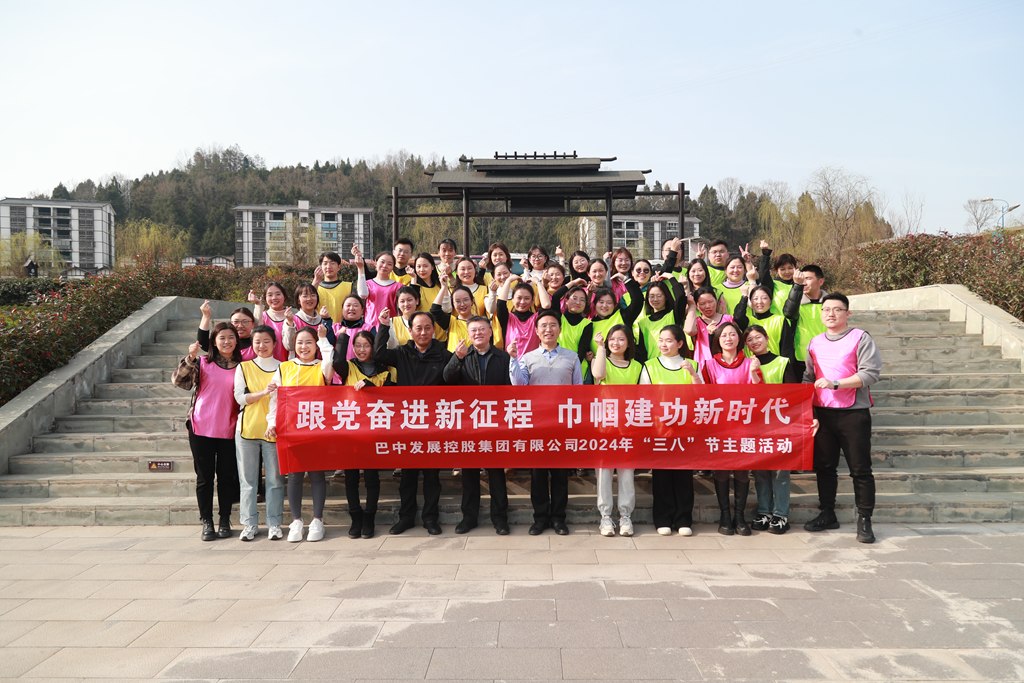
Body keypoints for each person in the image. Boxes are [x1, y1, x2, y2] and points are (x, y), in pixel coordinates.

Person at [802, 293, 883, 544]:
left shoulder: (860, 337)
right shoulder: (815, 342)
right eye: (826, 309)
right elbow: (808, 378)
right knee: (825, 467)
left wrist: (836, 383)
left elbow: (870, 374)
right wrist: (809, 412)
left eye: (837, 309)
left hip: (853, 413)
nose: (831, 314)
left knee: (860, 469)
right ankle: (827, 513)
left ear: (847, 313)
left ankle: (865, 519)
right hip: (823, 414)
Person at [374, 310, 454, 535]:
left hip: (433, 425)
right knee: (407, 476)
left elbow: (454, 381)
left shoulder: (444, 354)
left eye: (428, 328)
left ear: (434, 330)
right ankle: (406, 518)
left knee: (432, 476)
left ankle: (430, 519)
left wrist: (458, 359)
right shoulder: (402, 352)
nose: (423, 332)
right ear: (410, 331)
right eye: (418, 328)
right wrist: (383, 326)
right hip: (408, 424)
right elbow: (379, 354)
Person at [509, 310, 583, 535]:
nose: (548, 329)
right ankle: (540, 518)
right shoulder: (527, 357)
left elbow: (578, 390)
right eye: (543, 325)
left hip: (562, 424)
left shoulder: (572, 357)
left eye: (552, 325)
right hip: (537, 424)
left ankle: (559, 519)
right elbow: (519, 386)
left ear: (559, 329)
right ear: (537, 330)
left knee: (560, 475)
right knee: (538, 474)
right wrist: (513, 359)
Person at [442, 316, 512, 535]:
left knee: (496, 474)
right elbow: (447, 379)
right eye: (473, 330)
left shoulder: (503, 357)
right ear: (468, 334)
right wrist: (457, 358)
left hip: (495, 423)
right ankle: (469, 517)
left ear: (491, 332)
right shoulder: (462, 355)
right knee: (469, 473)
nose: (478, 333)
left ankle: (500, 519)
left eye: (482, 329)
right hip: (469, 423)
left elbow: (511, 387)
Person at [172, 320, 241, 541]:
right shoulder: (202, 362)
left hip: (230, 428)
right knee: (204, 477)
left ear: (237, 341)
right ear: (214, 342)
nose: (227, 341)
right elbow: (179, 381)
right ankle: (207, 521)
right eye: (222, 338)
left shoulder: (243, 366)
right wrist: (190, 358)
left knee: (227, 477)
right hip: (201, 426)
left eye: (231, 337)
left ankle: (224, 519)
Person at [265, 325, 334, 542]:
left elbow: (329, 366)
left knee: (316, 474)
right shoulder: (284, 367)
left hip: (317, 427)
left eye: (309, 342)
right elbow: (275, 399)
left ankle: (317, 520)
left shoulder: (322, 366)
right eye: (300, 343)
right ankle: (296, 521)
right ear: (293, 345)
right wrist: (271, 422)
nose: (304, 347)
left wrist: (323, 339)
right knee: (294, 475)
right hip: (291, 428)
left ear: (316, 346)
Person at [326, 330, 394, 539]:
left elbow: (392, 397)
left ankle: (369, 518)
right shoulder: (349, 367)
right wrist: (343, 336)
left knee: (372, 478)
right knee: (351, 478)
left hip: (375, 433)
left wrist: (371, 388)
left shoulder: (386, 370)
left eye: (366, 345)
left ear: (373, 347)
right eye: (358, 345)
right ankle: (356, 517)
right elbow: (337, 360)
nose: (361, 350)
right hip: (351, 431)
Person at [701, 322, 762, 536]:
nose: (728, 338)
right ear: (717, 340)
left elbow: (761, 394)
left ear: (740, 339)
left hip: (744, 424)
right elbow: (703, 396)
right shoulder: (709, 364)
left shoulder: (751, 363)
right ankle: (725, 515)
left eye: (732, 334)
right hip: (720, 425)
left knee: (742, 470)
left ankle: (739, 516)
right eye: (723, 335)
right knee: (722, 470)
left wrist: (754, 373)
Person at [639, 325, 701, 536]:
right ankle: (662, 518)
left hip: (685, 429)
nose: (663, 344)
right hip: (660, 430)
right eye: (661, 340)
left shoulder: (692, 365)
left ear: (680, 343)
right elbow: (644, 398)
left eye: (668, 340)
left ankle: (683, 519)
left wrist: (693, 374)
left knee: (684, 476)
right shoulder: (650, 366)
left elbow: (701, 396)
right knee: (662, 476)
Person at [744, 325, 798, 535]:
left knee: (780, 472)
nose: (754, 342)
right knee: (760, 472)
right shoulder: (745, 365)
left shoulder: (782, 362)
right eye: (749, 339)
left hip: (780, 423)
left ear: (767, 338)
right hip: (755, 425)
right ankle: (764, 511)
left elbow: (793, 395)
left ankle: (781, 514)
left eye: (758, 337)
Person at [233, 324, 284, 541]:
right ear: (251, 344)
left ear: (274, 344)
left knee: (275, 480)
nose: (261, 345)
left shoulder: (284, 367)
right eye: (257, 342)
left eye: (266, 341)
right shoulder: (243, 367)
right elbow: (240, 398)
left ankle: (274, 523)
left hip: (274, 431)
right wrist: (263, 392)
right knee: (248, 481)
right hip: (247, 429)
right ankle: (249, 524)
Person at [591, 326, 642, 536]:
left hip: (629, 425)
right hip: (605, 425)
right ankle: (605, 516)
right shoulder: (600, 360)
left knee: (626, 472)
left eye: (621, 339)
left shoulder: (637, 366)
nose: (616, 343)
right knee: (604, 472)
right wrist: (600, 348)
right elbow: (598, 374)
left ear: (629, 343)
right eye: (612, 339)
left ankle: (625, 516)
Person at [733, 282, 802, 359]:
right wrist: (744, 297)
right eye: (755, 299)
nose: (759, 302)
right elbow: (738, 317)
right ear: (751, 302)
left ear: (770, 301)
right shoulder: (748, 321)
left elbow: (787, 349)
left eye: (764, 298)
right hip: (752, 364)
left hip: (775, 364)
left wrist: (786, 365)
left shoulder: (780, 320)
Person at [785, 264, 828, 381]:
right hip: (800, 360)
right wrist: (797, 286)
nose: (804, 282)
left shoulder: (830, 304)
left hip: (827, 359)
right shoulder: (796, 303)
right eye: (802, 279)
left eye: (808, 278)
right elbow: (789, 313)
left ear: (821, 281)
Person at [495, 274, 553, 359]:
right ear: (513, 299)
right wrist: (508, 280)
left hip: (534, 364)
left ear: (532, 300)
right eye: (519, 298)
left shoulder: (537, 318)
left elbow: (547, 305)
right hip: (512, 364)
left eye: (527, 298)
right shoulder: (507, 318)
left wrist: (538, 282)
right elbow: (500, 303)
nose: (522, 302)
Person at [636, 276, 688, 363]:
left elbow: (680, 296)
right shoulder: (643, 323)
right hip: (652, 365)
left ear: (666, 297)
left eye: (659, 295)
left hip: (672, 363)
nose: (655, 299)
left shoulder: (673, 315)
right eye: (651, 296)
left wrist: (671, 278)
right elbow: (642, 351)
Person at [355, 245, 400, 332]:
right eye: (382, 262)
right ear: (375, 263)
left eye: (389, 264)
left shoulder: (398, 287)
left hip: (391, 328)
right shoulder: (368, 283)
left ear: (393, 267)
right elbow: (362, 294)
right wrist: (360, 268)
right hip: (370, 327)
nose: (385, 266)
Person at [685, 286, 734, 366]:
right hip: (704, 365)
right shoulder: (697, 322)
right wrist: (692, 306)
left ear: (716, 301)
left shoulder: (728, 319)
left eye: (711, 302)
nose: (708, 306)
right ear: (697, 306)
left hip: (727, 364)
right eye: (702, 304)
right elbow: (689, 330)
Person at [282, 284, 335, 355]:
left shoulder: (323, 320)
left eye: (313, 295)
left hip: (321, 361)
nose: (309, 299)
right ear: (298, 300)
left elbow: (330, 343)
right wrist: (290, 323)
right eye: (305, 296)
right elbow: (289, 346)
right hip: (300, 361)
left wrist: (327, 320)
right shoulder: (292, 320)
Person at [756, 240, 799, 316]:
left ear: (795, 268)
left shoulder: (802, 285)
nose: (787, 272)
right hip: (778, 322)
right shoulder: (773, 284)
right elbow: (764, 275)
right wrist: (765, 254)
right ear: (777, 271)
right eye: (782, 269)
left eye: (790, 268)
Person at [253, 282, 291, 362]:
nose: (274, 298)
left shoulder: (292, 318)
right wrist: (258, 304)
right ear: (265, 298)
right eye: (270, 295)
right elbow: (255, 334)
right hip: (266, 364)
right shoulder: (262, 316)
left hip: (288, 365)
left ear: (284, 296)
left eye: (278, 294)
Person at [312, 251, 352, 322]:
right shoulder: (315, 287)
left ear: (339, 267)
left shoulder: (349, 287)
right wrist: (315, 282)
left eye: (332, 263)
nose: (328, 267)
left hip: (342, 328)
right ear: (320, 267)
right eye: (325, 263)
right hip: (319, 327)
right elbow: (305, 306)